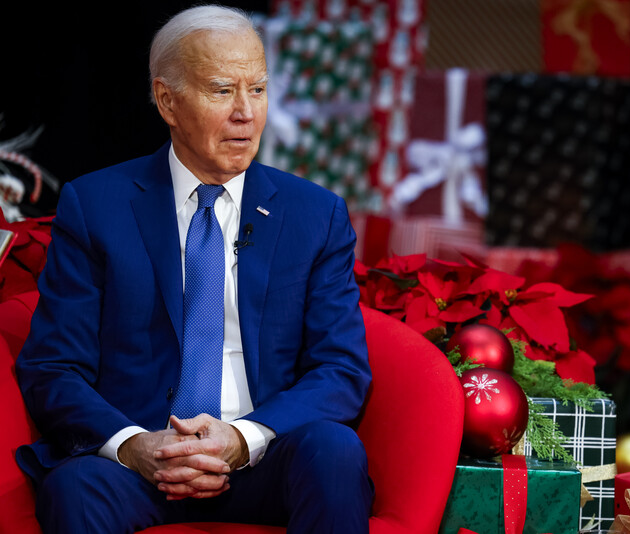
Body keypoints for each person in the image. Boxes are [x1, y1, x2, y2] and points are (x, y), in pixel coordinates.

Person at [14, 5, 373, 534]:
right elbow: (53, 368)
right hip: (140, 466)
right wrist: (136, 445)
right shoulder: (95, 206)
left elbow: (340, 369)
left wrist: (243, 437)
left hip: (263, 457)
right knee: (74, 488)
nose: (246, 113)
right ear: (167, 101)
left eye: (258, 89)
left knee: (334, 450)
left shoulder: (314, 215)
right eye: (223, 90)